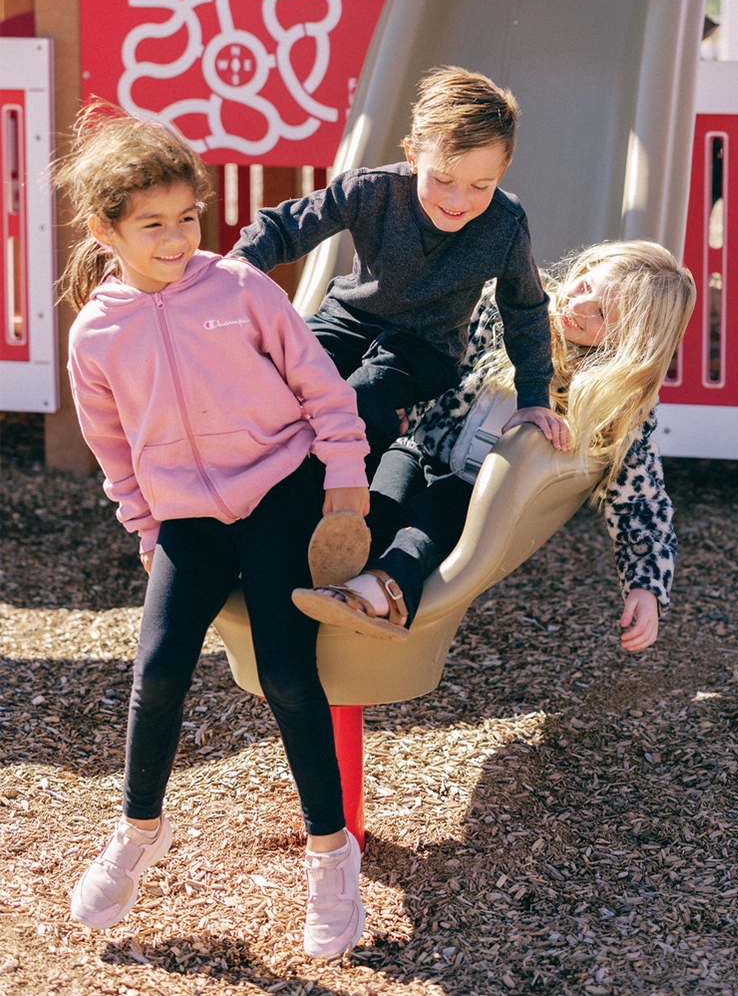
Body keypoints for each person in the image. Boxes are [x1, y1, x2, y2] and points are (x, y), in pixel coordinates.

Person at [58, 109, 371, 960]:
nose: (174, 238)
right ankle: (137, 831)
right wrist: (148, 529)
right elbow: (113, 450)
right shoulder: (97, 333)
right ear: (106, 231)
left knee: (285, 673)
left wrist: (344, 482)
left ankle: (330, 854)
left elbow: (321, 388)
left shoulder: (238, 289)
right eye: (151, 226)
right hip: (188, 518)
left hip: (283, 492)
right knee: (155, 673)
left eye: (186, 219)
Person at [231, 65, 564, 579]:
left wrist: (535, 395)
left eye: (481, 185)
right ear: (413, 156)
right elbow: (284, 226)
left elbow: (525, 308)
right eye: (443, 180)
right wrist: (232, 274)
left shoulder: (503, 223)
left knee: (366, 396)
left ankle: (343, 518)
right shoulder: (372, 191)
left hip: (426, 347)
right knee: (287, 383)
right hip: (348, 320)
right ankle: (258, 502)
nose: (459, 201)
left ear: (504, 172)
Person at [292, 241, 695, 653]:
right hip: (418, 447)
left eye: (603, 314)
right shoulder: (510, 308)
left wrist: (646, 587)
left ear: (629, 339)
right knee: (380, 502)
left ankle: (385, 591)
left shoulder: (614, 398)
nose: (581, 305)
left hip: (479, 488)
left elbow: (640, 499)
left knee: (427, 521)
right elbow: (432, 348)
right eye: (586, 285)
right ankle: (332, 586)